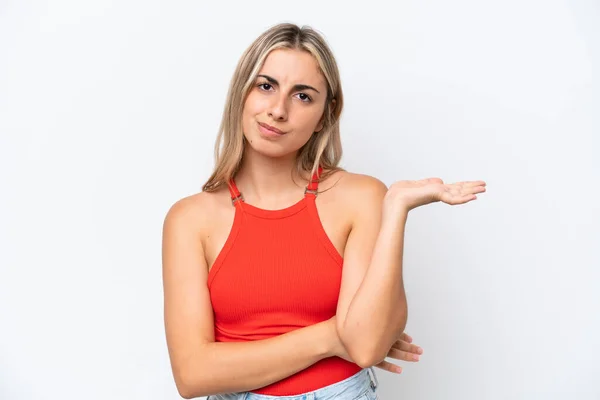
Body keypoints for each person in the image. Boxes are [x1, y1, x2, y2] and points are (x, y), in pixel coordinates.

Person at [162, 22, 486, 400]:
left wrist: (395, 208)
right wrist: (334, 335)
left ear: (325, 115)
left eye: (303, 96)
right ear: (241, 93)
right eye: (265, 86)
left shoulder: (362, 197)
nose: (278, 110)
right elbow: (192, 375)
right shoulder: (189, 220)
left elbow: (365, 347)